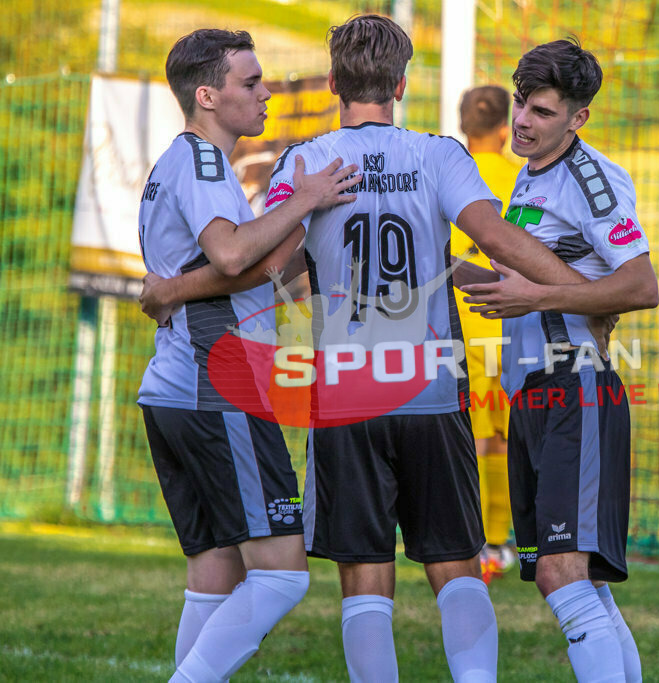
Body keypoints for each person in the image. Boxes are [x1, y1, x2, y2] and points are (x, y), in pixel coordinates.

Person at [140, 14, 602, 683]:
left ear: (333, 82)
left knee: (364, 577)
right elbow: (498, 238)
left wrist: (174, 288)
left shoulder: (304, 162)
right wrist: (588, 293)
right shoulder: (441, 154)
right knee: (455, 566)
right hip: (431, 387)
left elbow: (266, 265)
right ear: (402, 85)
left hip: (346, 395)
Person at [136, 29, 359, 682]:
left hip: (175, 389)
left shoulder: (182, 162)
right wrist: (305, 199)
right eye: (251, 82)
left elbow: (250, 269)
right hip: (216, 389)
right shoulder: (203, 162)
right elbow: (233, 256)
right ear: (207, 96)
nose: (266, 94)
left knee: (216, 570)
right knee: (284, 575)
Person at [460, 38, 659, 682]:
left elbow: (641, 285)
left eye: (542, 111)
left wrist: (540, 296)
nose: (522, 120)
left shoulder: (592, 179)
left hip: (577, 388)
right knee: (582, 582)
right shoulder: (528, 172)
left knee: (559, 572)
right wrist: (437, 263)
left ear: (578, 118)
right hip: (534, 393)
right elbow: (514, 284)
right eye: (521, 103)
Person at [450, 85, 521, 582]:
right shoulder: (521, 178)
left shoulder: (448, 175)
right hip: (510, 318)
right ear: (505, 129)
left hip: (458, 319)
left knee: (469, 434)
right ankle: (498, 540)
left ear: (462, 128)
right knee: (505, 434)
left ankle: (470, 540)